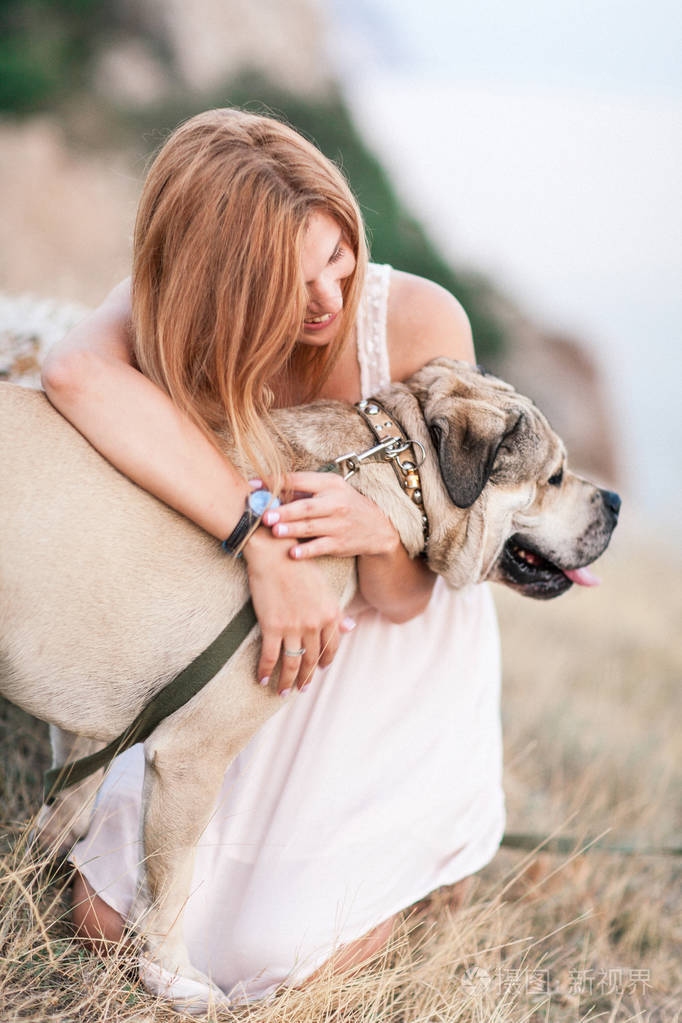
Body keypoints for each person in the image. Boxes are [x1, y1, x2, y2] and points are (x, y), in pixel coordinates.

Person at [41, 108, 504, 1003]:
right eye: (290, 286)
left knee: (275, 962)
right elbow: (74, 373)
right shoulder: (175, 310)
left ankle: (425, 857)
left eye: (338, 256)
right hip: (242, 629)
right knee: (106, 921)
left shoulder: (415, 323)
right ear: (217, 283)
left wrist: (382, 530)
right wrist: (259, 536)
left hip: (383, 645)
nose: (328, 297)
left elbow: (410, 598)